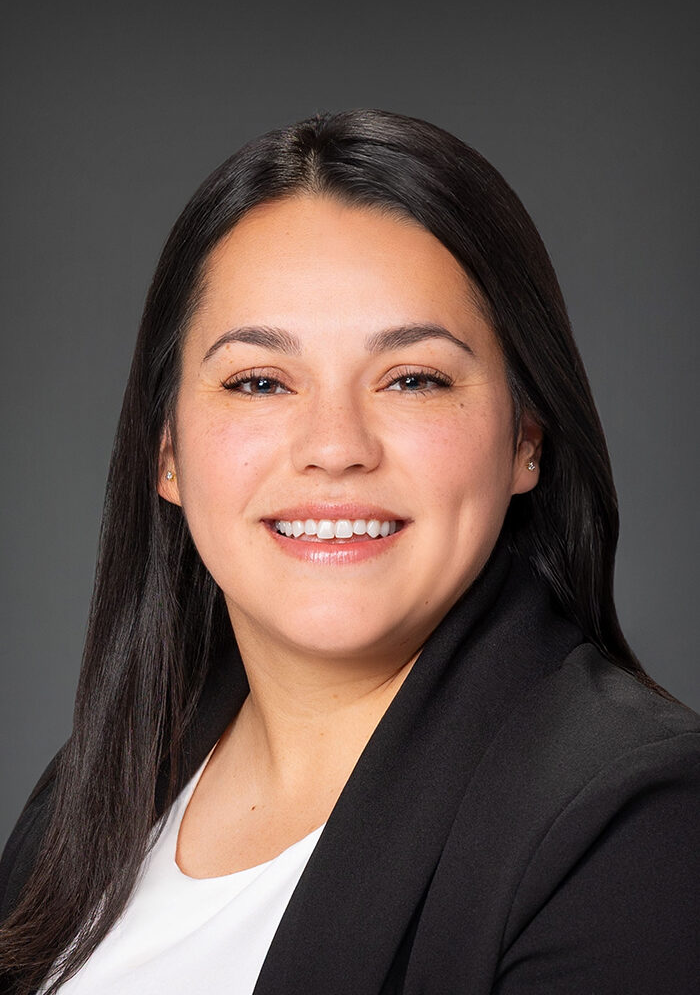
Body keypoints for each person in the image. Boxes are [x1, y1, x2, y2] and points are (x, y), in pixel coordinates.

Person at [0, 108, 698, 995]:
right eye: (259, 381)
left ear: (526, 438)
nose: (335, 445)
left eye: (413, 379)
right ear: (166, 452)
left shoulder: (638, 828)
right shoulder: (96, 791)